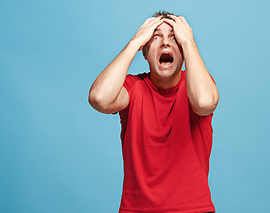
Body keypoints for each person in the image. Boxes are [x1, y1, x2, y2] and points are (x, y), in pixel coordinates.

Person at [88, 11, 219, 213]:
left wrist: (189, 43)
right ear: (145, 52)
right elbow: (99, 98)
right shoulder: (133, 87)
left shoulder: (197, 83)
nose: (166, 43)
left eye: (174, 37)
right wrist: (134, 43)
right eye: (156, 37)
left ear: (184, 50)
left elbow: (203, 103)